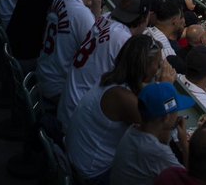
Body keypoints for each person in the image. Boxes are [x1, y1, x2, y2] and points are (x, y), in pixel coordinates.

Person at [65, 35, 166, 184]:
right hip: (92, 173)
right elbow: (161, 135)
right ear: (145, 66)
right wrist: (165, 87)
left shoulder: (111, 79)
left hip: (77, 158)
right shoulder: (122, 98)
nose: (159, 69)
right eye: (157, 65)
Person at [109, 80, 194, 185]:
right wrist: (184, 144)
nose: (178, 115)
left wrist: (166, 129)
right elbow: (190, 180)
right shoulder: (157, 152)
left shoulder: (134, 128)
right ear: (166, 118)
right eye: (176, 111)